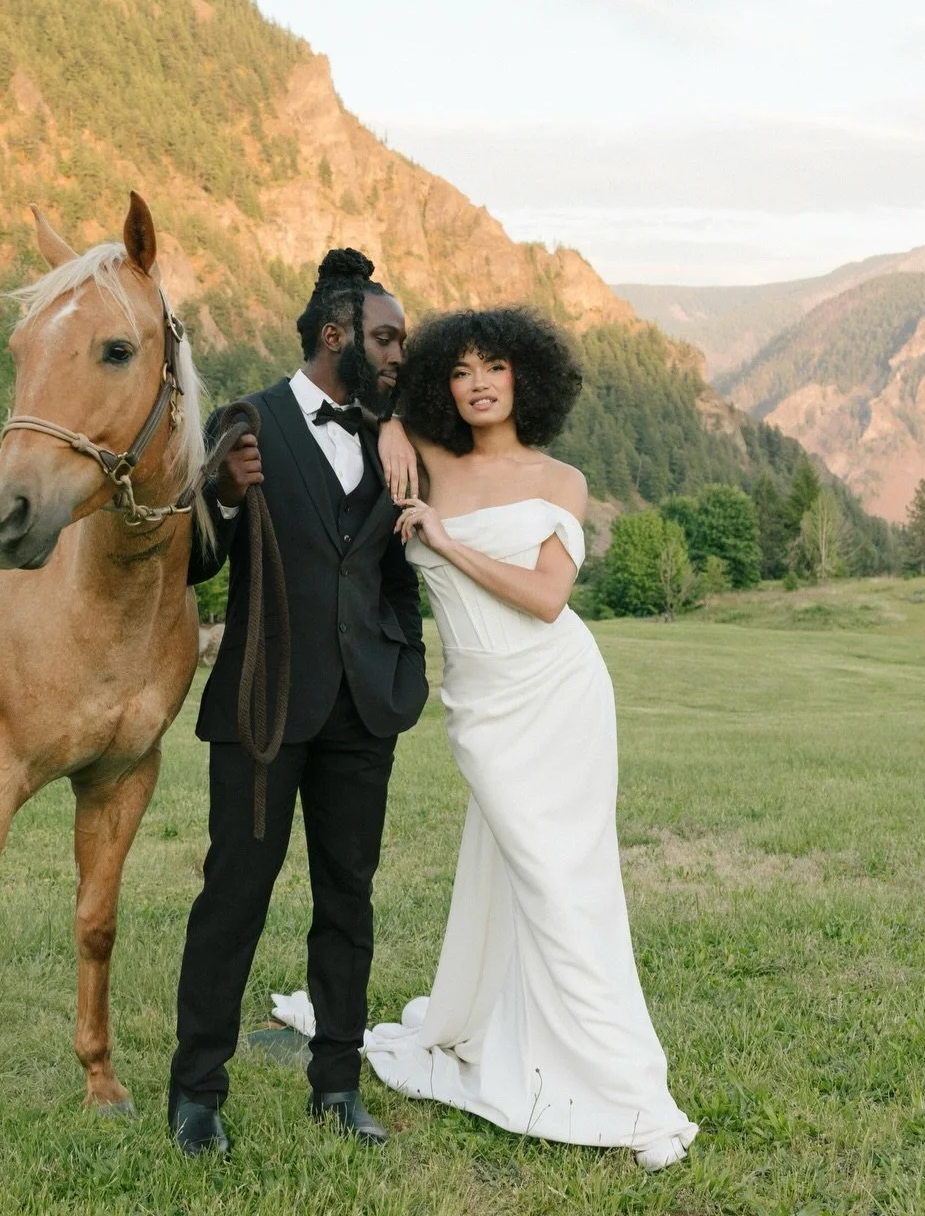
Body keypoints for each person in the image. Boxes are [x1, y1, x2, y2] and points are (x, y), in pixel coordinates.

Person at [272, 306, 697, 1171]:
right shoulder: (427, 455)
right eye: (460, 369)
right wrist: (393, 423)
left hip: (556, 692)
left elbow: (547, 598)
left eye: (493, 366)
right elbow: (347, 417)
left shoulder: (561, 479)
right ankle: (504, 1025)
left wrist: (440, 537)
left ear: (524, 378)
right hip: (481, 704)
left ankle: (622, 1085)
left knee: (561, 880)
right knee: (513, 871)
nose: (476, 383)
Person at [171, 250, 429, 1157]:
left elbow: (398, 565)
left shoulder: (390, 438)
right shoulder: (248, 424)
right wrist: (227, 499)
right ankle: (196, 1091)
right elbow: (193, 564)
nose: (402, 353)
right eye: (388, 338)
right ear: (336, 334)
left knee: (347, 900)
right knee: (234, 895)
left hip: (366, 712)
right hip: (263, 708)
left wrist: (407, 660)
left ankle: (336, 1082)